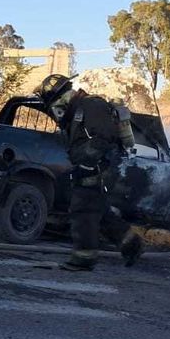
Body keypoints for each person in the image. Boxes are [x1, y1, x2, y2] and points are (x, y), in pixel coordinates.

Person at [37, 73, 144, 271]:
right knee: (100, 212)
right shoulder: (75, 112)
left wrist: (87, 165)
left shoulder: (91, 106)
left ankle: (83, 258)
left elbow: (104, 137)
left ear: (62, 98)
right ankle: (131, 243)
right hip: (93, 168)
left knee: (82, 210)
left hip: (99, 169)